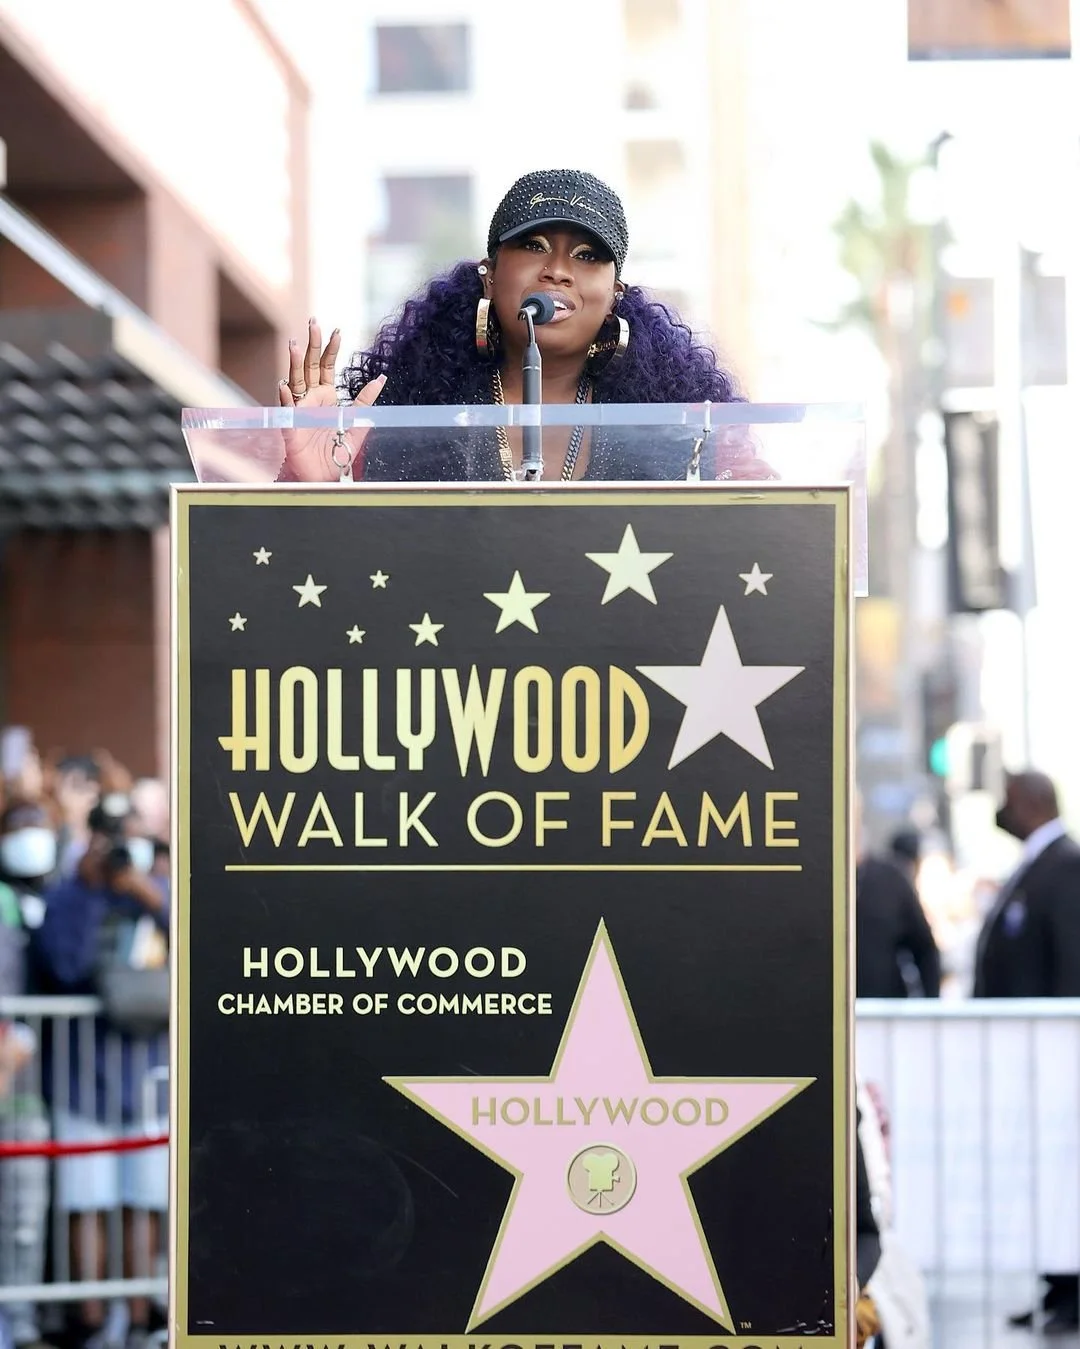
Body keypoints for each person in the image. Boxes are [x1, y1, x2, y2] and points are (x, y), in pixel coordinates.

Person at [275, 168, 771, 484]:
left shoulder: (690, 436)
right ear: (489, 278)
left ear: (614, 295)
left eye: (587, 255)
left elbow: (784, 540)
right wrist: (308, 482)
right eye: (533, 246)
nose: (558, 269)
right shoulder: (396, 424)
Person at [974, 770, 1080, 1334]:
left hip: (1055, 1055)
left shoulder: (1066, 866)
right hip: (1028, 1059)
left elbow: (1070, 962)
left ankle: (1072, 1288)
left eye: (1008, 800)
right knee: (1043, 1171)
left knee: (1066, 1171)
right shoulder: (1038, 865)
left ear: (1033, 804)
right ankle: (1054, 1282)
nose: (1001, 809)